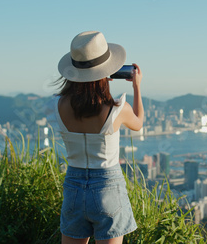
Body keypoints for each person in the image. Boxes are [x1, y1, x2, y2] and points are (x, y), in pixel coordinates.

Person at [46, 31, 143, 244]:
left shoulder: (57, 106)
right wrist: (136, 86)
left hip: (73, 186)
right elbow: (138, 123)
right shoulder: (117, 109)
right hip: (108, 187)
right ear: (106, 72)